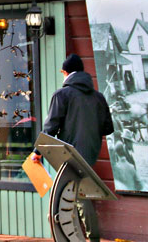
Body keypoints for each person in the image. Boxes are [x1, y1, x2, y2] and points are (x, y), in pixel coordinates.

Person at [43, 54, 114, 241]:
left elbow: (50, 128)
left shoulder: (61, 95)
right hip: (90, 153)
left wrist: (36, 153)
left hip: (68, 155)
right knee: (80, 195)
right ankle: (86, 237)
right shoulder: (98, 98)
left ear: (65, 72)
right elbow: (108, 128)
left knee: (68, 197)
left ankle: (90, 238)